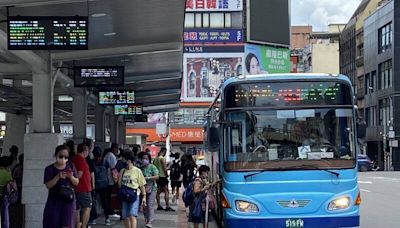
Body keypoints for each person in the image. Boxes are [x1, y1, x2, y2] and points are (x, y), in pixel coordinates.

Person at [43, 145, 79, 228]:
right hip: (54, 201)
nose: (63, 158)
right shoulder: (49, 169)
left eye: (65, 156)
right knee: (52, 223)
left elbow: (76, 182)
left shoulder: (71, 166)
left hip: (68, 201)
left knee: (68, 223)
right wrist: (57, 177)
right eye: (61, 156)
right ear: (56, 155)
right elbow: (48, 185)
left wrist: (71, 177)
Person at [118, 150, 147, 228]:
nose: (122, 161)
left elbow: (142, 185)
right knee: (125, 216)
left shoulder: (137, 171)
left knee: (132, 214)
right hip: (124, 196)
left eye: (123, 159)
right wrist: (119, 177)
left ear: (129, 161)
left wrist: (144, 197)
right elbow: (119, 184)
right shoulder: (122, 171)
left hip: (134, 195)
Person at [72, 144, 92, 228]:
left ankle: (78, 226)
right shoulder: (81, 160)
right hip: (83, 187)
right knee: (87, 207)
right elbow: (79, 174)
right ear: (84, 151)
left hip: (77, 188)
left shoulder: (74, 159)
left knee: (77, 209)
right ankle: (83, 226)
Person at [138, 152, 159, 228]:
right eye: (143, 158)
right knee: (144, 206)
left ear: (149, 159)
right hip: (143, 189)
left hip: (152, 188)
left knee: (150, 205)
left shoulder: (152, 167)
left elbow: (157, 176)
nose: (144, 160)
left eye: (146, 158)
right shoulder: (140, 168)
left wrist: (148, 178)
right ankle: (146, 220)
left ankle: (150, 221)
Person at [93, 147, 112, 226]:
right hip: (104, 184)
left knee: (93, 201)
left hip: (95, 184)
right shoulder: (105, 161)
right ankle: (107, 218)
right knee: (104, 202)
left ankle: (93, 218)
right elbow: (108, 170)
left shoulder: (92, 162)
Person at [153, 147, 174, 211]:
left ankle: (159, 205)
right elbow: (165, 168)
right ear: (164, 151)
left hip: (157, 176)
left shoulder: (155, 159)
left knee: (158, 191)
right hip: (163, 176)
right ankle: (167, 206)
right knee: (166, 191)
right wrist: (167, 175)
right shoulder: (162, 158)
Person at [82, 139, 97, 225]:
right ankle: (87, 222)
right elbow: (92, 173)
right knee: (88, 206)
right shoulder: (88, 159)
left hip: (82, 185)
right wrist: (93, 185)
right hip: (87, 186)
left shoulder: (80, 158)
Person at [103, 144, 120, 217]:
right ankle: (111, 211)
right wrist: (116, 179)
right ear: (114, 148)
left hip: (108, 179)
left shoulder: (107, 155)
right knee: (111, 196)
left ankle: (110, 210)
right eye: (117, 149)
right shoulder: (111, 156)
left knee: (109, 196)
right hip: (110, 180)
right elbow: (114, 169)